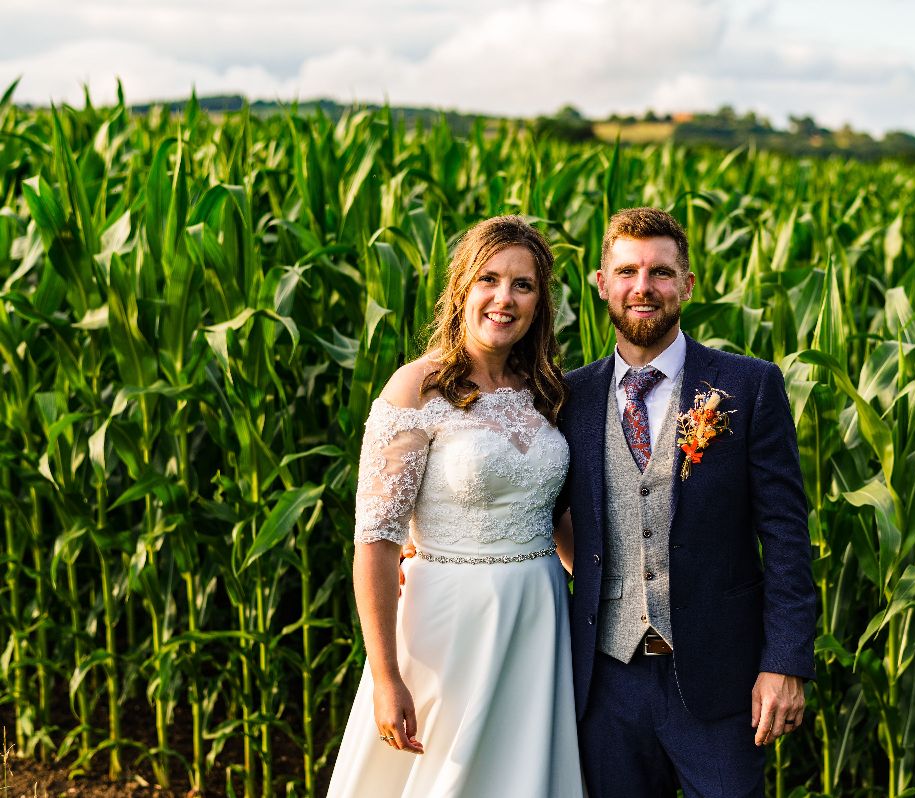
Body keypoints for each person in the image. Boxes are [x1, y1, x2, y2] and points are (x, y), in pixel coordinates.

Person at [556, 207, 818, 797]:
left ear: (688, 285)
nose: (642, 288)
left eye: (661, 273)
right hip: (605, 682)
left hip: (721, 681)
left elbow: (785, 535)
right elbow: (531, 510)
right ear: (602, 284)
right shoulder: (569, 396)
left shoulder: (748, 386)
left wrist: (786, 662)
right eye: (626, 272)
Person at [325, 216, 585, 797]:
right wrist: (386, 678)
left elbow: (558, 517)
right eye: (489, 279)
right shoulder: (416, 389)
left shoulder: (546, 390)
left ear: (540, 301)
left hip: (539, 619)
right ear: (462, 287)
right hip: (448, 625)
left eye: (523, 285)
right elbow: (376, 542)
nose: (504, 298)